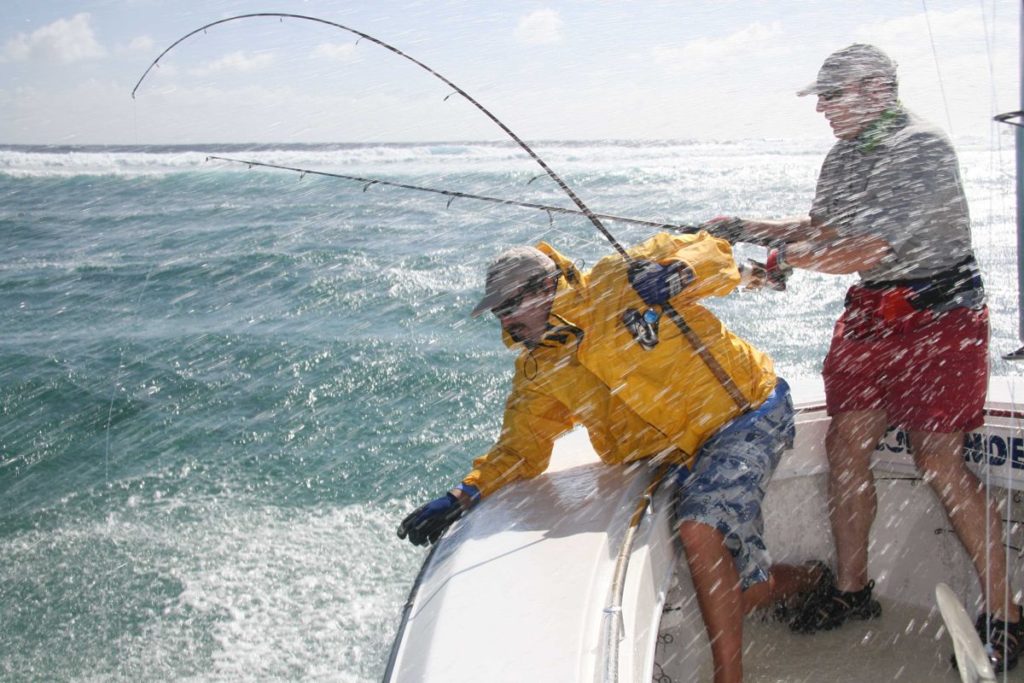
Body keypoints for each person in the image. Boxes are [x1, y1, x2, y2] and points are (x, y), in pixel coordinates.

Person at [706, 43, 1022, 673]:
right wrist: (744, 226)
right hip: (871, 318)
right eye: (820, 98)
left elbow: (870, 249)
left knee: (938, 458)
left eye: (832, 96)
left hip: (941, 317)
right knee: (845, 445)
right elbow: (825, 229)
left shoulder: (920, 148)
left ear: (877, 90)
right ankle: (853, 592)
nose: (821, 109)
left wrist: (780, 262)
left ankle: (1007, 615)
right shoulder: (844, 154)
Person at [397, 231, 822, 683]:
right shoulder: (539, 368)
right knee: (745, 593)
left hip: (746, 415)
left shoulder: (620, 278)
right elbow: (522, 449)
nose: (505, 324)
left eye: (507, 308)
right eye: (499, 313)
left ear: (543, 290)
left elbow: (716, 252)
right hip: (681, 452)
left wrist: (678, 274)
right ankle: (811, 583)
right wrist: (464, 494)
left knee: (699, 528)